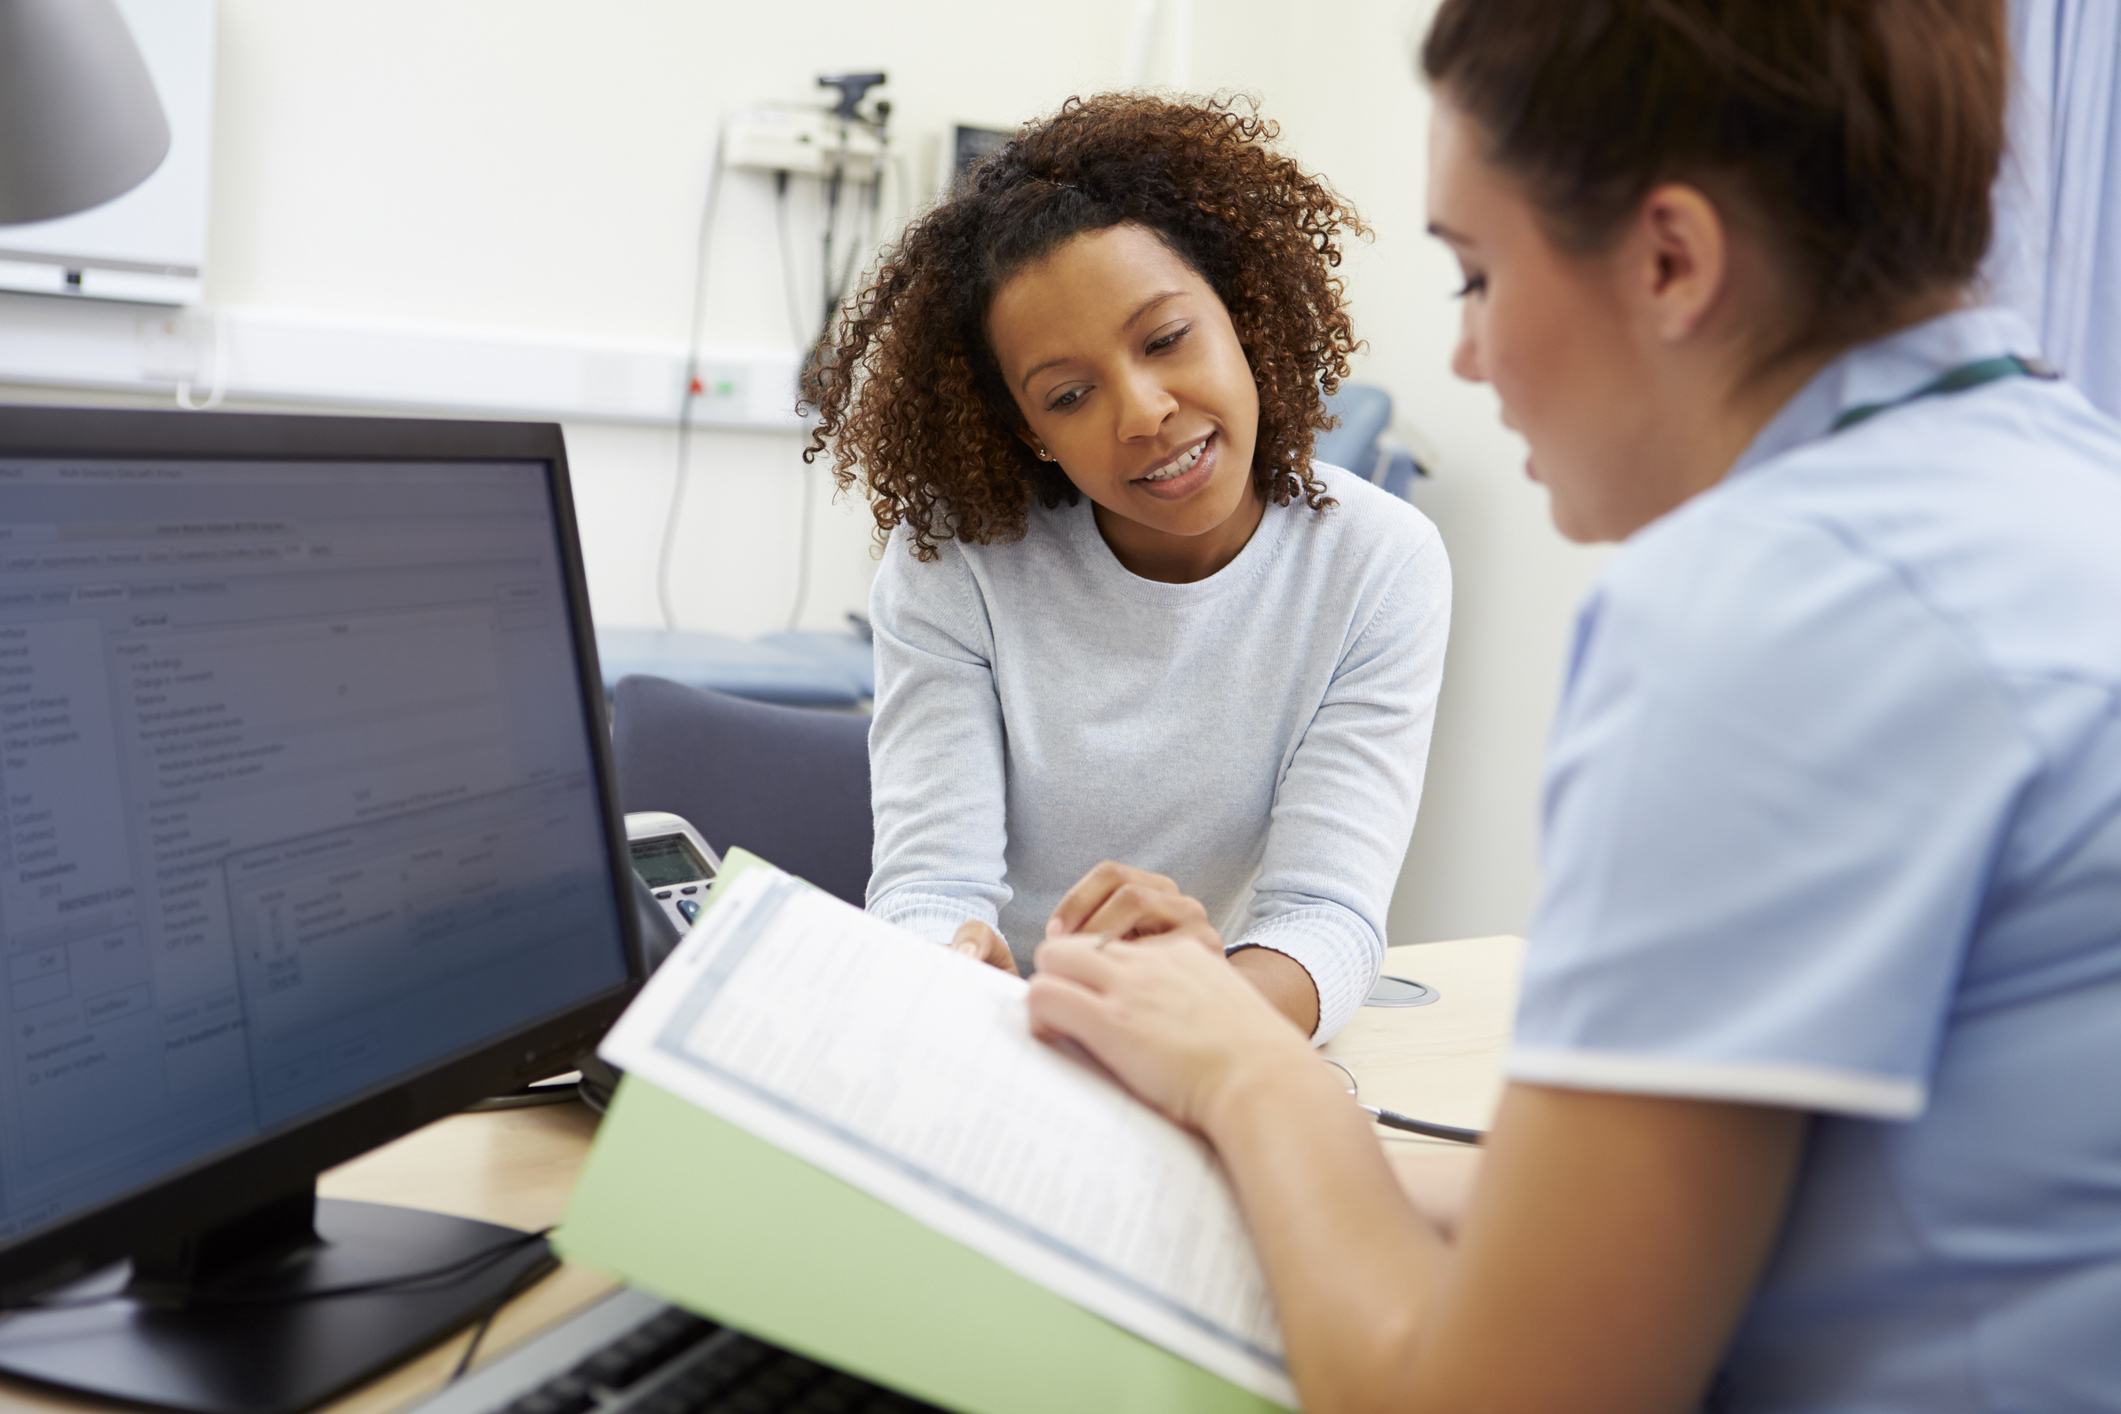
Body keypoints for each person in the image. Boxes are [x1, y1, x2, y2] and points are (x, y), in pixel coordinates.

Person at [1023, 1, 2121, 1410]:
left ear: (1670, 259)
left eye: (1475, 275)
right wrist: (1258, 1121)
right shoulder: (2058, 472)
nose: (1468, 358)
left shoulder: (1761, 615)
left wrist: (1253, 1077)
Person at [806, 94, 1451, 1041]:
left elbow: (1326, 917)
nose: (1142, 410)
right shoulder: (956, 558)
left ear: (1239, 310)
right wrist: (945, 967)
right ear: (1030, 433)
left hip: (1205, 1032)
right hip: (997, 1044)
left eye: (1164, 339)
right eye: (1070, 394)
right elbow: (927, 885)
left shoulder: (1377, 564)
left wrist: (1197, 1012)